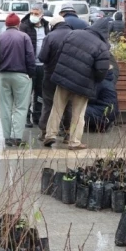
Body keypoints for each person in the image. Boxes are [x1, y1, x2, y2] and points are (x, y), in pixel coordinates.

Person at [43, 18, 111, 151]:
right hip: (83, 83)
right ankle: (74, 141)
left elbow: (60, 53)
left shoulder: (74, 34)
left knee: (57, 107)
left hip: (64, 78)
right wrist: (95, 80)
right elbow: (101, 70)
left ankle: (50, 134)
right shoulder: (102, 46)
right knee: (78, 113)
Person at [0, 13, 36, 147]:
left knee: (5, 107)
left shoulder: (0, 37)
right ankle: (17, 137)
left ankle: (7, 137)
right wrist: (31, 73)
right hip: (21, 75)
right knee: (21, 106)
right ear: (18, 24)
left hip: (3, 75)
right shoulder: (24, 37)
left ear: (6, 24)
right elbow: (30, 56)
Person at [38, 14, 73, 138]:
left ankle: (45, 131)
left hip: (50, 75)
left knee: (48, 102)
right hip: (69, 76)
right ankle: (68, 131)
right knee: (68, 104)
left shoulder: (50, 36)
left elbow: (42, 57)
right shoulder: (74, 35)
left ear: (53, 26)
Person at [19, 3, 49, 129]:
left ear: (41, 15)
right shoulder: (24, 26)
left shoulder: (46, 26)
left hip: (42, 65)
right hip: (29, 66)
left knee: (40, 93)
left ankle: (37, 116)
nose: (33, 16)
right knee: (27, 93)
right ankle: (26, 117)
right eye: (32, 13)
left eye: (36, 14)